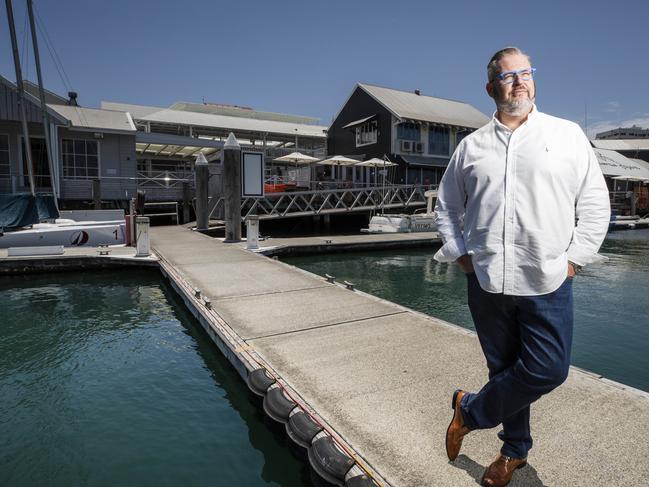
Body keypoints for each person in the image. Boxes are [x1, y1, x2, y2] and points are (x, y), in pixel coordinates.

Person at [434, 47, 610, 487]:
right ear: (491, 87)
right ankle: (513, 452)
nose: (519, 82)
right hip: (487, 280)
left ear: (534, 79)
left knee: (549, 369)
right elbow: (446, 206)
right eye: (508, 76)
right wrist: (460, 254)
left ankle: (469, 411)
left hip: (547, 278)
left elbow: (593, 203)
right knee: (505, 371)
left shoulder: (567, 135)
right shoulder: (471, 147)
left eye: (525, 73)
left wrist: (574, 260)